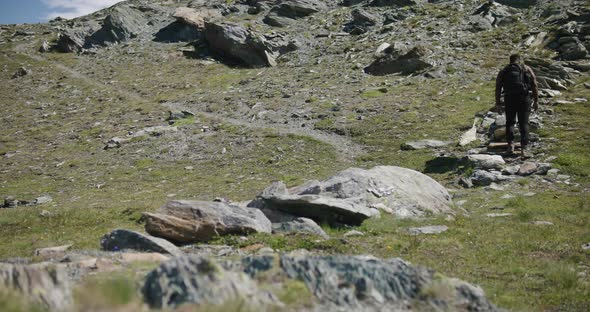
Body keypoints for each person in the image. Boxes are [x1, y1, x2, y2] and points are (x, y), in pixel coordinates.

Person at [495, 53, 539, 158]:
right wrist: (536, 100)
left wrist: (498, 103)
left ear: (510, 60)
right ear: (519, 60)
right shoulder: (526, 68)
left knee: (510, 122)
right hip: (524, 98)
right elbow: (534, 84)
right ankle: (524, 149)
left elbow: (498, 87)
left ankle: (510, 146)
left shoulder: (504, 70)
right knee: (524, 123)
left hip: (509, 98)